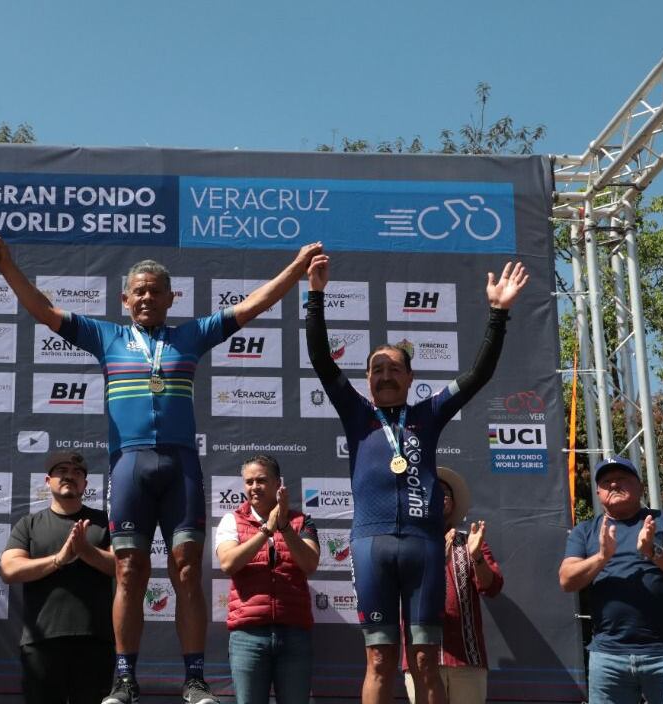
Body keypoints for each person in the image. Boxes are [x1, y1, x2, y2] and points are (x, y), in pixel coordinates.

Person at [0, 233, 321, 704]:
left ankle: (195, 678)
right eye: (138, 291)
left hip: (179, 464)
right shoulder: (106, 337)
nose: (146, 297)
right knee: (129, 571)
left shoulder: (190, 336)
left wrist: (296, 266)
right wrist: (6, 266)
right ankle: (125, 677)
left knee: (186, 570)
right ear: (125, 300)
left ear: (171, 298)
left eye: (155, 291)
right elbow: (44, 310)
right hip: (130, 465)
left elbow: (252, 306)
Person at [305, 254, 527, 704]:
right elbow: (322, 361)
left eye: (394, 369)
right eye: (377, 370)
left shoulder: (430, 413)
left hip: (424, 548)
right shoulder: (357, 414)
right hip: (371, 546)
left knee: (426, 660)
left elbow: (478, 374)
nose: (385, 375)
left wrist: (498, 314)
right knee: (379, 660)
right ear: (367, 379)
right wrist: (315, 296)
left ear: (410, 378)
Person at [559, 456, 663, 704]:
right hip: (608, 657)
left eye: (621, 478)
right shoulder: (586, 531)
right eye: (606, 482)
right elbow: (567, 580)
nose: (614, 484)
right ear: (599, 493)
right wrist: (602, 556)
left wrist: (653, 550)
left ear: (640, 487)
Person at [1, 451, 116, 704]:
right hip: (40, 642)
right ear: (48, 480)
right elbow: (9, 570)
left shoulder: (103, 522)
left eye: (77, 473)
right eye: (62, 471)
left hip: (95, 642)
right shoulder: (29, 524)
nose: (69, 476)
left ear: (85, 484)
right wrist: (59, 559)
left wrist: (86, 551)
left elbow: (122, 568)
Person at [214, 454, 319, 704]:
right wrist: (266, 530)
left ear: (277, 484)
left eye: (261, 480)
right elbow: (228, 563)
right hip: (248, 637)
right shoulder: (232, 520)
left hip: (294, 634)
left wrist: (284, 527)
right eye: (249, 482)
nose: (254, 487)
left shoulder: (301, 521)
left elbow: (310, 564)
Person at [401, 467, 504, 704]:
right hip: (422, 659)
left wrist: (477, 557)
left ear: (453, 504)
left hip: (467, 659)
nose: (442, 496)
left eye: (446, 493)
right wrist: (436, 562)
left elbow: (493, 587)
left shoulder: (471, 541)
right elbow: (402, 590)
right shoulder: (407, 543)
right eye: (434, 492)